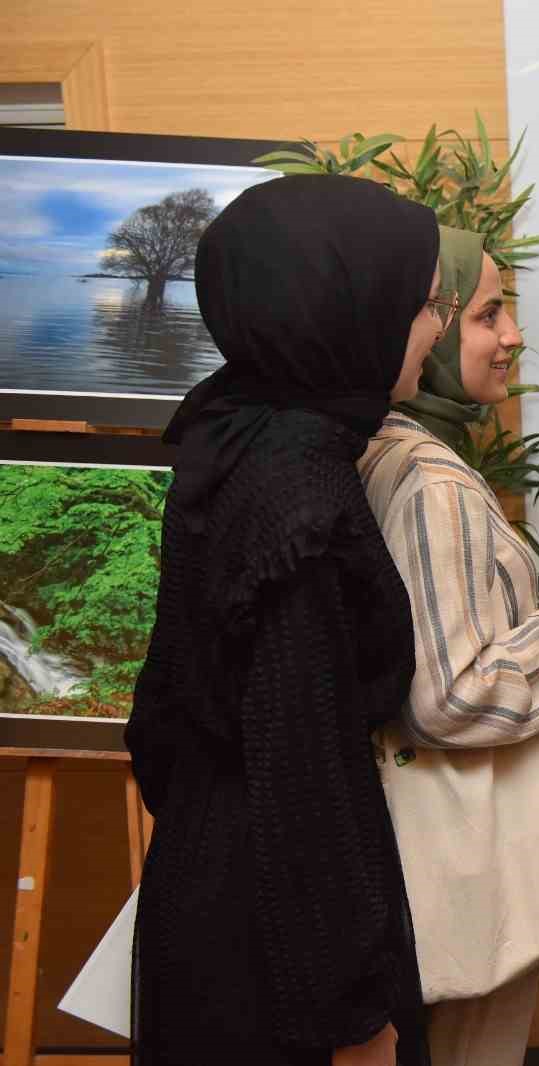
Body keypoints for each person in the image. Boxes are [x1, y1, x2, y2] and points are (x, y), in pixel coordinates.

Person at [125, 174, 449, 1066]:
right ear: (348, 310)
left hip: (213, 877)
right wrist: (356, 1020)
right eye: (425, 305)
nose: (436, 328)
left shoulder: (231, 436)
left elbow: (157, 719)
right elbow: (302, 767)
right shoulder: (301, 488)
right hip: (279, 947)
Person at [357, 224, 539, 1066]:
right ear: (430, 327)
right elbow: (450, 698)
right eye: (487, 315)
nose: (513, 336)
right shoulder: (432, 481)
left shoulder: (365, 446)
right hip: (463, 853)